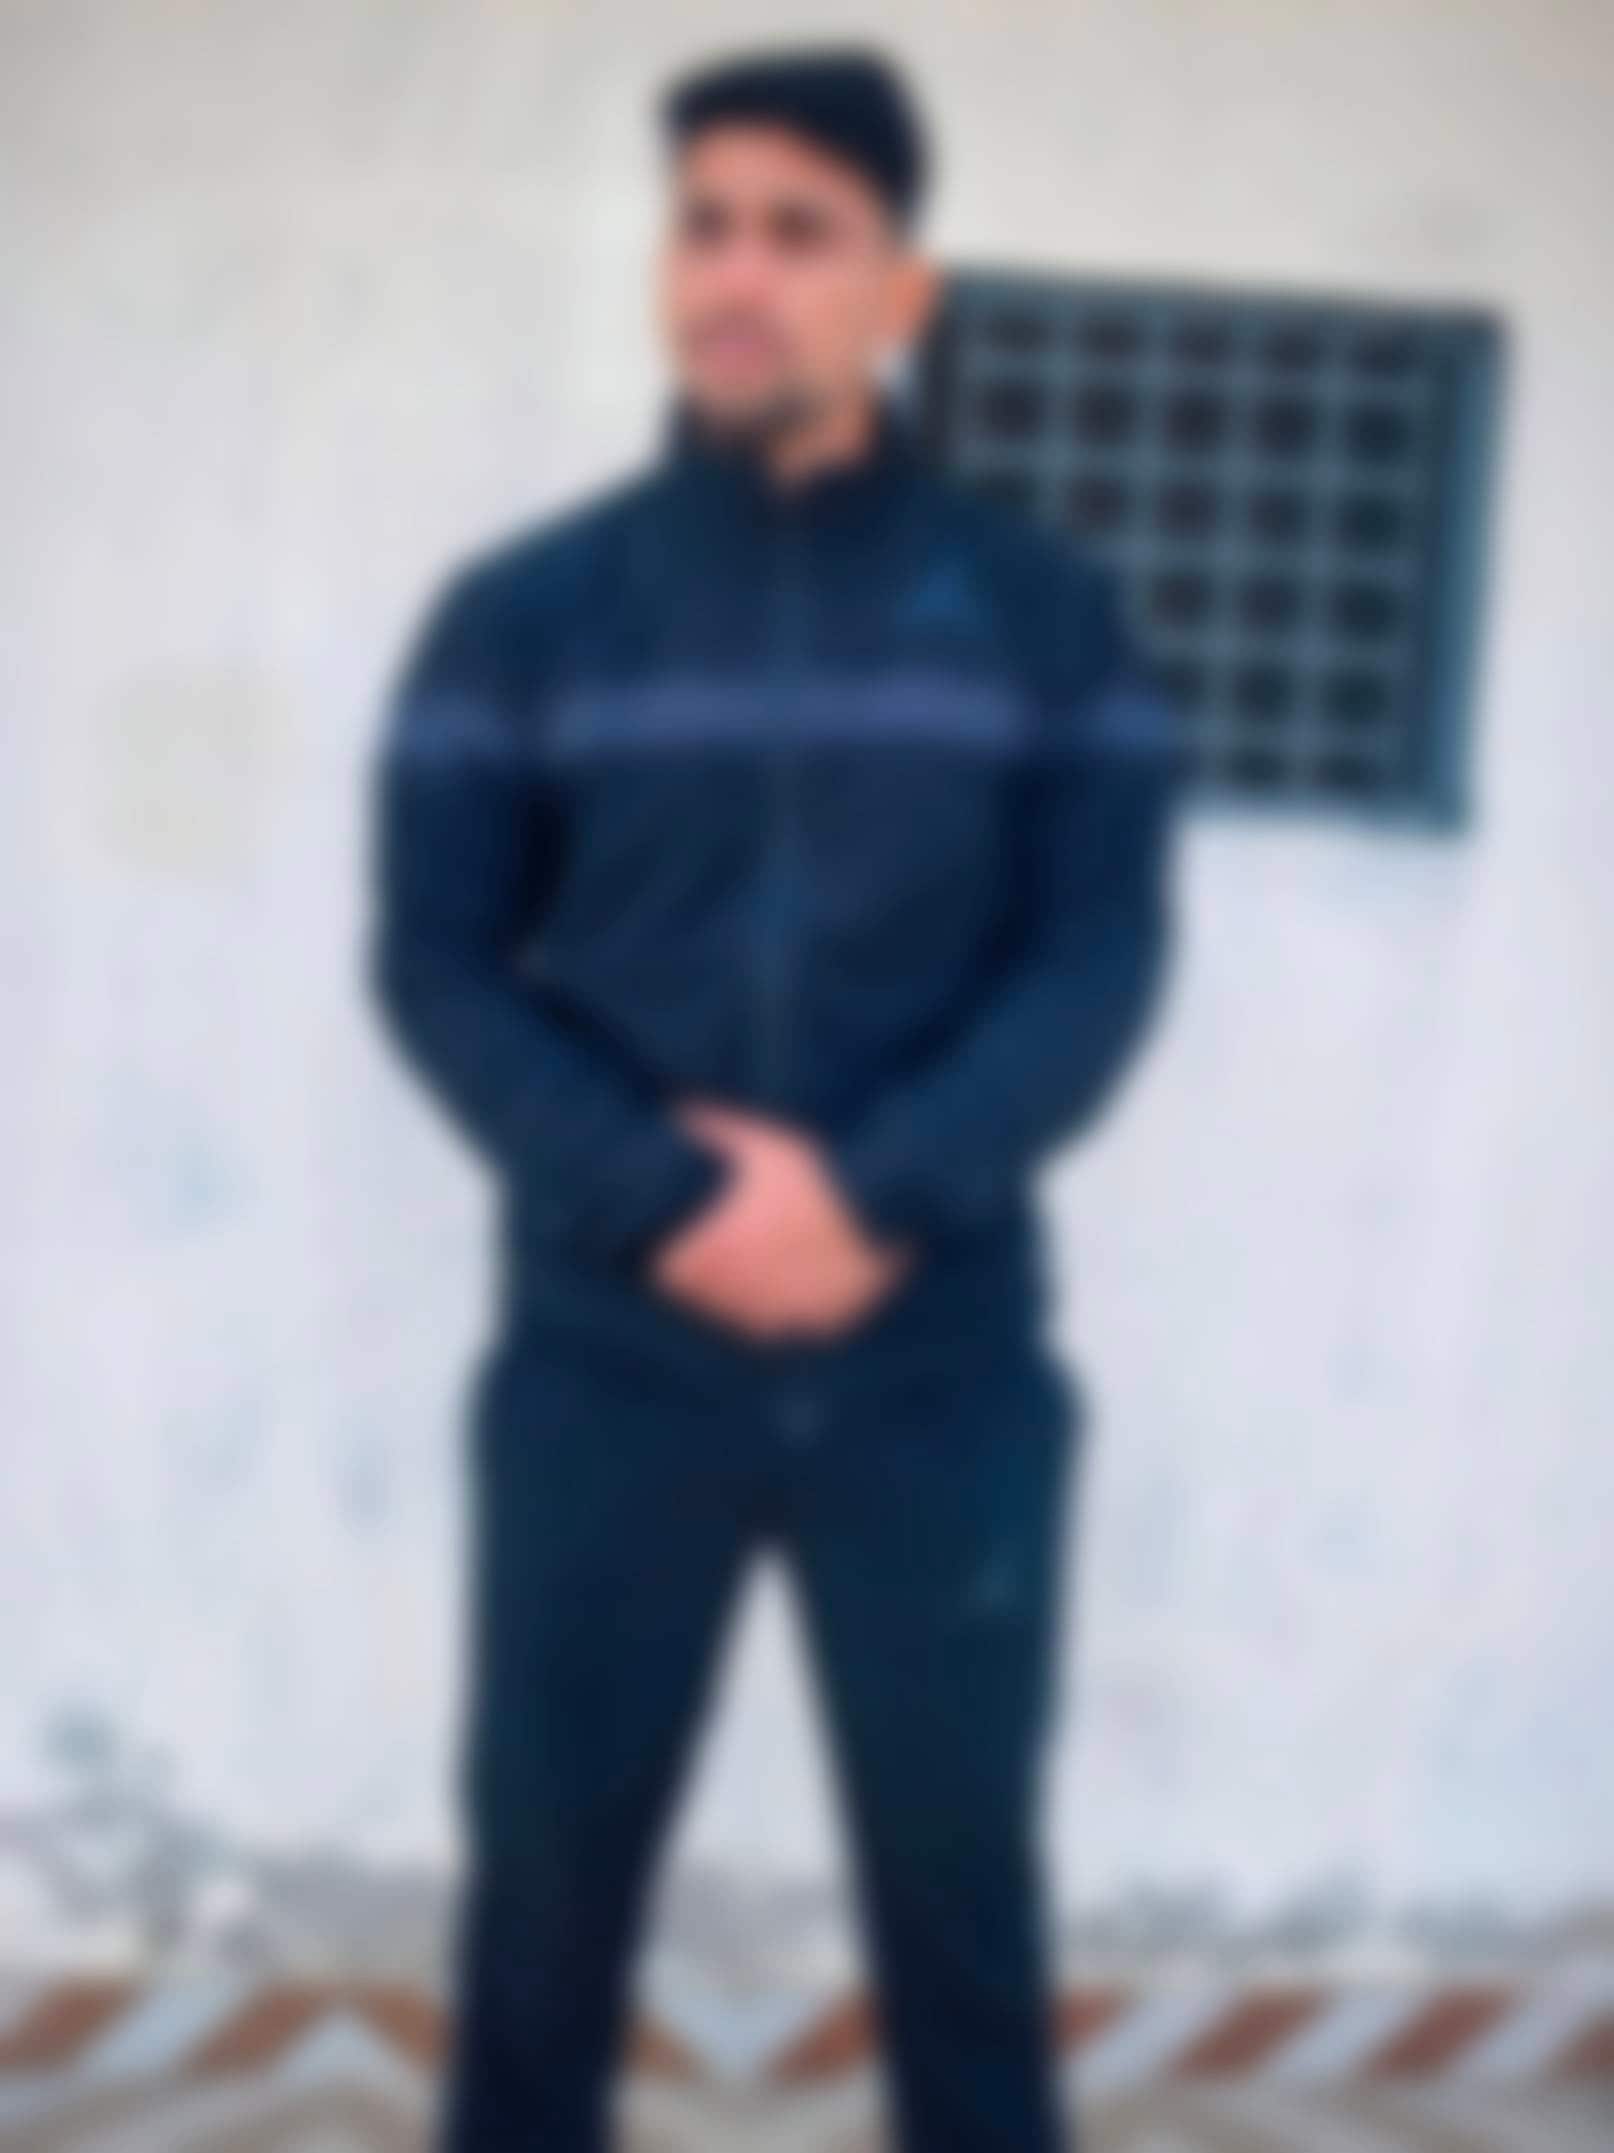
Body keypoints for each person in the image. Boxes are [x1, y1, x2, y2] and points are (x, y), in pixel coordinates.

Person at [366, 40, 1182, 2153]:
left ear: (902, 291)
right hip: (606, 1361)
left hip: (939, 1367)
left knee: (964, 1915)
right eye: (705, 226)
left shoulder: (1046, 616)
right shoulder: (523, 615)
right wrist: (669, 1199)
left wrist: (877, 1192)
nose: (739, 276)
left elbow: (1098, 961)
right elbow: (435, 964)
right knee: (542, 1906)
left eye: (801, 233)